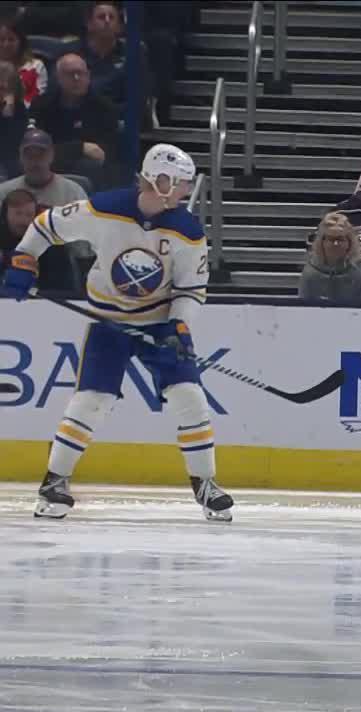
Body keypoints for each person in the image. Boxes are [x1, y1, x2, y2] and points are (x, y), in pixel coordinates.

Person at [0, 143, 234, 522]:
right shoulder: (104, 209)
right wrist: (24, 261)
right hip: (108, 322)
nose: (186, 191)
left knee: (189, 397)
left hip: (160, 324)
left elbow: (191, 290)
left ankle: (205, 484)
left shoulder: (188, 232)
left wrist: (179, 326)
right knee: (91, 400)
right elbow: (46, 225)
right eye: (180, 183)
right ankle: (54, 482)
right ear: (160, 180)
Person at [30, 53, 119, 189]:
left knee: (90, 166)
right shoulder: (41, 105)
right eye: (70, 74)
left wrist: (63, 151)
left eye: (81, 73)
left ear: (88, 76)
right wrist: (80, 148)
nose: (76, 78)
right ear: (58, 78)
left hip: (89, 171)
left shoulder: (104, 108)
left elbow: (104, 153)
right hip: (48, 169)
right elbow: (37, 149)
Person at [0, 187, 79, 294]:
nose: (23, 220)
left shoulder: (50, 242)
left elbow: (63, 288)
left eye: (29, 214)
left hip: (42, 300)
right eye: (18, 213)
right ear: (5, 215)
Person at [72, 1, 145, 108]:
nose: (107, 21)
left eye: (112, 17)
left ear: (119, 26)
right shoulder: (72, 53)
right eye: (101, 17)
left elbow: (139, 95)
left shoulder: (133, 53)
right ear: (89, 24)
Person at [0, 128, 89, 209]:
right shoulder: (4, 193)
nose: (35, 161)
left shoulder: (73, 192)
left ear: (52, 155)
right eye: (29, 155)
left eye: (40, 155)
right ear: (21, 157)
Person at [297, 212, 361, 304]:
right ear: (322, 242)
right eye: (331, 239)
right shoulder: (310, 273)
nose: (335, 244)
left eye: (340, 239)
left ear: (349, 243)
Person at [0, 16, 46, 107]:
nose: (6, 44)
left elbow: (36, 100)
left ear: (21, 42)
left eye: (11, 40)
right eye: (1, 40)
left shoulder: (35, 66)